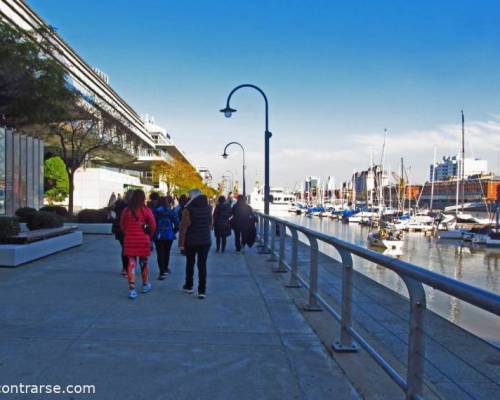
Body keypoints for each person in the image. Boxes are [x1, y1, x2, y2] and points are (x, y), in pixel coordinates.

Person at [120, 189, 157, 299]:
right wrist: (149, 235)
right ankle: (145, 285)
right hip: (143, 240)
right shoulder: (145, 210)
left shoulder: (126, 210)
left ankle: (132, 290)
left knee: (131, 263)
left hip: (129, 240)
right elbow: (153, 225)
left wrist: (128, 233)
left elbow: (122, 225)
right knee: (144, 262)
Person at [178, 189, 212, 299]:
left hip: (191, 241)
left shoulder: (188, 210)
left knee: (190, 263)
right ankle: (202, 290)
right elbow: (210, 225)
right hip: (205, 241)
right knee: (202, 265)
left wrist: (181, 244)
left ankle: (189, 286)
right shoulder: (208, 209)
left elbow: (183, 228)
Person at [153, 195, 179, 279]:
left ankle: (161, 272)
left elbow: (152, 222)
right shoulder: (170, 211)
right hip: (169, 234)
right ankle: (165, 268)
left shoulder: (155, 211)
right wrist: (173, 231)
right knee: (167, 252)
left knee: (160, 252)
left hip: (158, 234)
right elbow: (177, 223)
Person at [112, 190, 134, 276]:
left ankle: (125, 268)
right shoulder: (132, 206)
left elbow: (114, 214)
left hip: (120, 229)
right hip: (129, 229)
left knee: (124, 248)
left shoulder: (119, 204)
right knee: (130, 249)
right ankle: (129, 267)